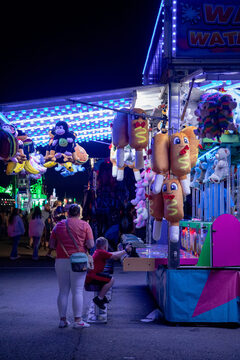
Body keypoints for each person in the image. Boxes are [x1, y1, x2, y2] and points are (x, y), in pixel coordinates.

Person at [49, 204, 94, 329]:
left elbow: (51, 244)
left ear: (68, 213)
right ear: (79, 213)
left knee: (63, 291)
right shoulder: (85, 225)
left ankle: (62, 320)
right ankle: (78, 320)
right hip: (78, 261)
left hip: (61, 260)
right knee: (77, 291)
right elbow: (90, 244)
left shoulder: (58, 226)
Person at [85, 236, 132, 310]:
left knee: (107, 278)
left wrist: (122, 251)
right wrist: (125, 250)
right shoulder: (101, 252)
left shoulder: (98, 251)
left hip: (91, 275)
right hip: (93, 276)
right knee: (111, 280)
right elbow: (115, 256)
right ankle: (99, 298)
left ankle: (102, 296)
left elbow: (112, 254)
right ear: (105, 246)